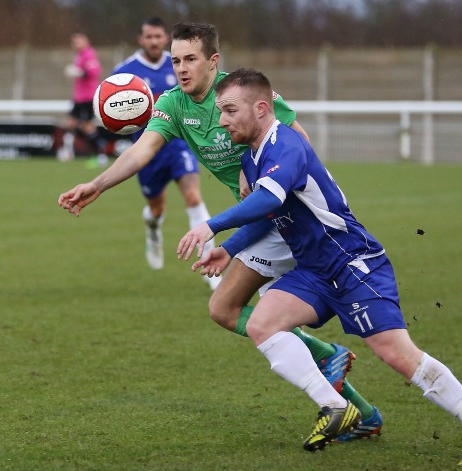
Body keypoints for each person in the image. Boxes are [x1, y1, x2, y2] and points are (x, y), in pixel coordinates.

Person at [58, 22, 382, 440]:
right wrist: (97, 184)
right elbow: (143, 148)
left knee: (228, 309)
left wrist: (273, 175)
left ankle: (333, 369)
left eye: (190, 59)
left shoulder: (242, 95)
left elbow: (297, 141)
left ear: (213, 61)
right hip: (261, 217)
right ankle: (363, 411)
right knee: (266, 322)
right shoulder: (173, 104)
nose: (181, 68)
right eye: (175, 60)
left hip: (286, 213)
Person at [178, 67, 462, 464]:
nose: (222, 120)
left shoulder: (287, 144)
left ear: (262, 107)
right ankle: (335, 406)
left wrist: (210, 226)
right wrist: (229, 249)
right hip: (315, 272)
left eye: (230, 110)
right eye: (220, 111)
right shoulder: (252, 159)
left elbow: (267, 200)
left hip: (354, 264)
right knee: (264, 323)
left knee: (396, 354)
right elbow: (268, 216)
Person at [111, 18, 219, 290]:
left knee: (193, 197)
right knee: (157, 209)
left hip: (179, 145)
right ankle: (152, 229)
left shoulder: (181, 63)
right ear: (141, 39)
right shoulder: (125, 74)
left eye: (159, 36)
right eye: (149, 37)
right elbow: (114, 117)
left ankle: (212, 273)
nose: (154, 42)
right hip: (146, 151)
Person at [59, 32, 108, 167]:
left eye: (79, 41)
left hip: (88, 97)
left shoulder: (89, 54)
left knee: (87, 127)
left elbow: (94, 72)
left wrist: (78, 72)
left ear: (86, 41)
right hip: (79, 97)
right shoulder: (79, 56)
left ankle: (101, 154)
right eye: (74, 42)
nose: (76, 44)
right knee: (71, 123)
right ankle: (68, 151)